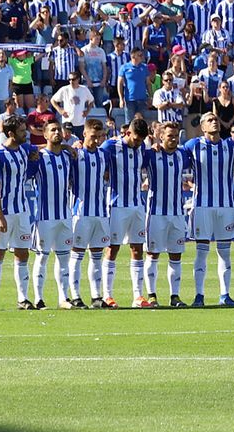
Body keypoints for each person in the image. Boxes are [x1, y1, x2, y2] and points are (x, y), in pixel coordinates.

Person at [183, 110, 234, 307]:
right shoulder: (192, 146)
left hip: (225, 206)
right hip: (201, 206)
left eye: (216, 119)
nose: (214, 122)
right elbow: (174, 157)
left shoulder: (231, 146)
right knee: (201, 252)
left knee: (224, 252)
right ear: (202, 126)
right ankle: (199, 295)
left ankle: (225, 295)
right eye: (210, 120)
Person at [0, 114, 35, 311]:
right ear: (11, 133)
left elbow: (43, 149)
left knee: (22, 254)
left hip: (22, 211)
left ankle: (23, 299)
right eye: (23, 131)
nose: (26, 133)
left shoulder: (23, 150)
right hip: (4, 212)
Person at [141, 121, 191, 308]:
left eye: (176, 136)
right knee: (152, 255)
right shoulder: (151, 155)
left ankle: (174, 296)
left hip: (177, 213)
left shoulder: (182, 155)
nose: (174, 139)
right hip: (156, 213)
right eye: (170, 135)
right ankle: (152, 295)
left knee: (176, 255)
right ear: (160, 136)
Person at [102, 117, 150, 307]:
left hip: (137, 204)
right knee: (112, 248)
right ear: (127, 133)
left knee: (137, 248)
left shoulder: (142, 149)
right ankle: (107, 295)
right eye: (136, 139)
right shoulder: (110, 146)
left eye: (141, 141)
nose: (138, 144)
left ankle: (138, 296)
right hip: (116, 204)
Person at [29, 120, 76, 310]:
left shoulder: (67, 156)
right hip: (45, 217)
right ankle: (39, 298)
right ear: (45, 135)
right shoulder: (38, 157)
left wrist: (66, 146)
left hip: (65, 216)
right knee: (42, 257)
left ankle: (63, 298)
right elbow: (24, 148)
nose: (57, 132)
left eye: (59, 129)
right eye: (53, 130)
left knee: (64, 258)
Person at [69, 119, 110, 308]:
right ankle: (75, 296)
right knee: (77, 255)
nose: (96, 141)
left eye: (99, 137)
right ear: (84, 134)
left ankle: (96, 296)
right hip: (81, 213)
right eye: (92, 137)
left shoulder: (103, 155)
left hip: (100, 213)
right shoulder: (75, 154)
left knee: (96, 255)